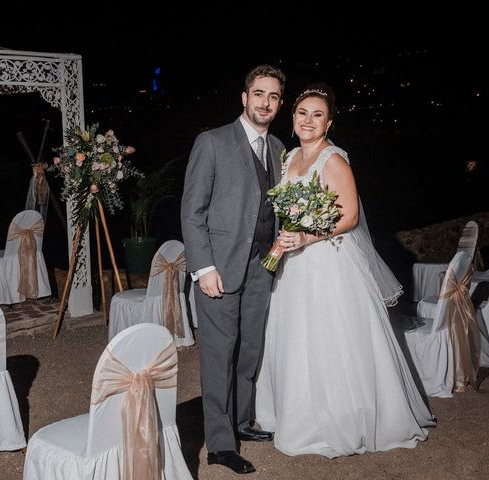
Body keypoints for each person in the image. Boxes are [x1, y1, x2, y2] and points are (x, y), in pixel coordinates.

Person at [255, 84, 436, 458]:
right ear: (293, 118)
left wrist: (305, 237)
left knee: (330, 338)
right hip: (295, 265)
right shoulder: (289, 159)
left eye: (317, 114)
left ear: (329, 122)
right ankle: (299, 414)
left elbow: (350, 216)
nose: (308, 120)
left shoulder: (333, 158)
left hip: (328, 262)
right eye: (302, 112)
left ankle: (341, 418)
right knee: (297, 338)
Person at [181, 64, 286, 474]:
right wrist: (203, 267)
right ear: (244, 97)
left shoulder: (278, 148)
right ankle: (220, 444)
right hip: (219, 270)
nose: (265, 102)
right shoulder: (211, 142)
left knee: (249, 352)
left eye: (273, 96)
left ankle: (242, 421)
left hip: (262, 265)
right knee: (218, 355)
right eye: (259, 93)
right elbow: (192, 212)